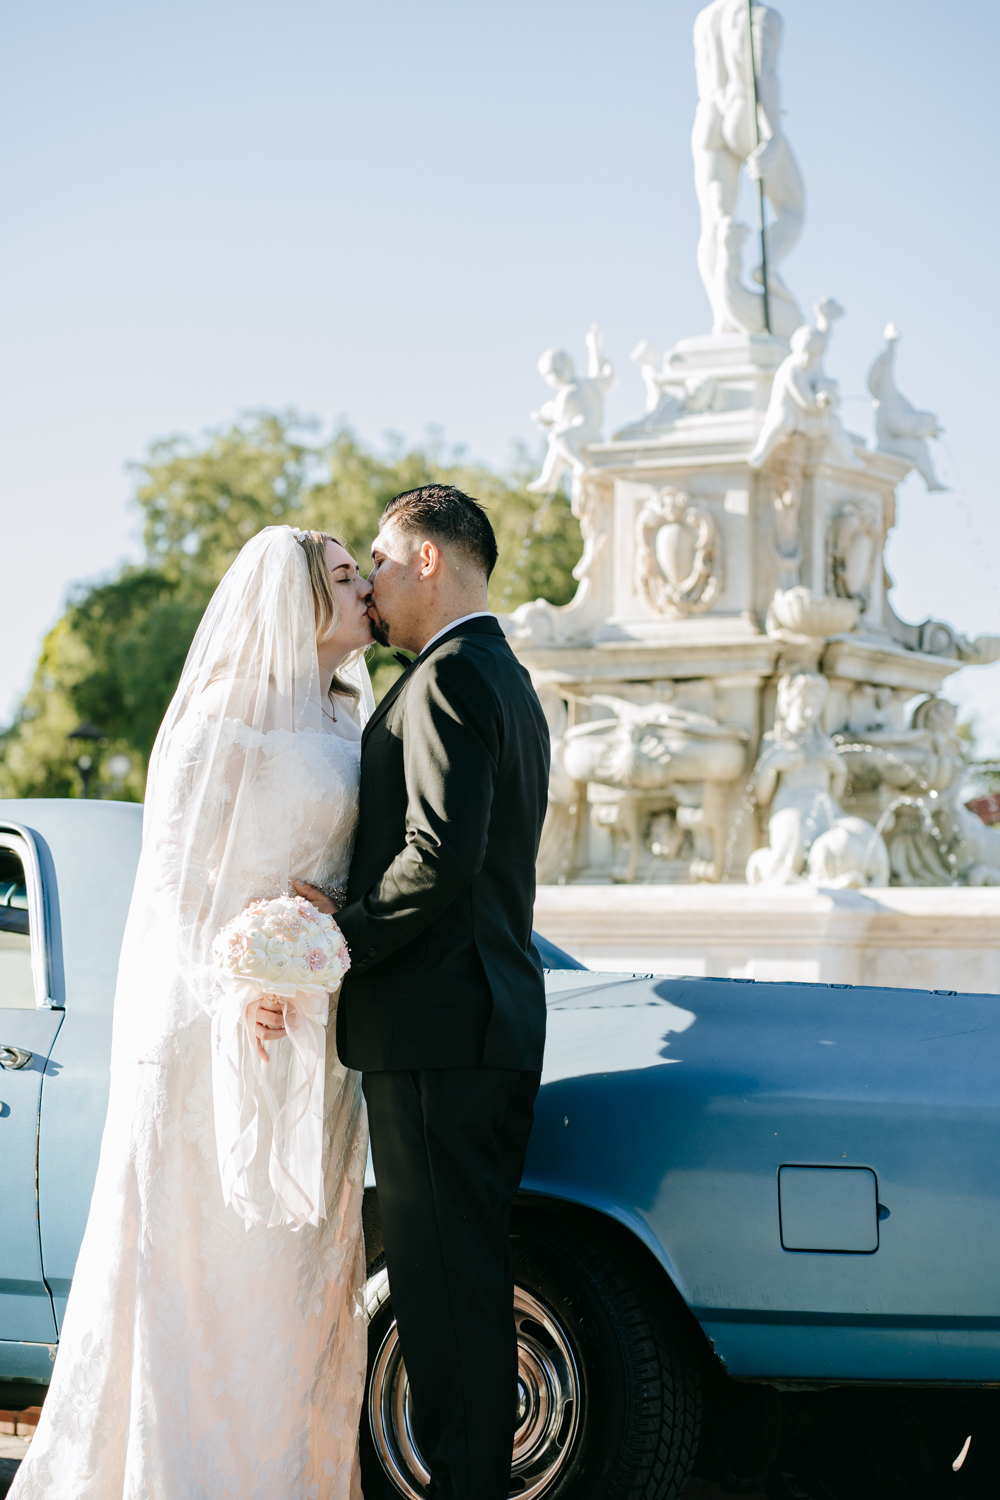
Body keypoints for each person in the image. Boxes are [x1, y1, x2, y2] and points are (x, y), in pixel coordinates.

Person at [11, 527, 375, 1499]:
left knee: (294, 1283)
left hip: (321, 1034)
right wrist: (237, 987)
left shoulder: (349, 723)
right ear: (293, 601)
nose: (367, 589)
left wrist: (311, 944)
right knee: (206, 1276)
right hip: (221, 1030)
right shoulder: (221, 721)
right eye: (345, 578)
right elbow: (176, 886)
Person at [291, 484, 552, 1500]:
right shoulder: (502, 674)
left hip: (438, 1033)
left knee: (448, 1299)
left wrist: (331, 945)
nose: (378, 582)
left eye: (384, 562)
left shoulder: (447, 677)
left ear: (429, 559)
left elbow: (437, 859)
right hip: (480, 1022)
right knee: (463, 1287)